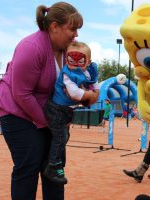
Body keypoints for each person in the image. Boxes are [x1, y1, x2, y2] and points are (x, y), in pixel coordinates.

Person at [0, 2, 86, 199]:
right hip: (17, 110)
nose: (76, 34)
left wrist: (84, 96)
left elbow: (71, 85)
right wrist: (50, 123)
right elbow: (22, 94)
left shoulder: (68, 51)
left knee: (55, 167)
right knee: (29, 164)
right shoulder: (31, 47)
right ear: (54, 26)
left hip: (48, 112)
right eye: (72, 28)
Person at [43, 41, 99, 184]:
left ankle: (58, 164)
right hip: (57, 109)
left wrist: (94, 91)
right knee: (60, 136)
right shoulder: (67, 73)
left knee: (64, 136)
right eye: (70, 60)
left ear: (88, 61)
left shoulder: (90, 70)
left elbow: (94, 83)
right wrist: (91, 94)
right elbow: (74, 93)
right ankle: (53, 166)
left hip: (67, 110)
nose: (74, 64)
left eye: (80, 61)